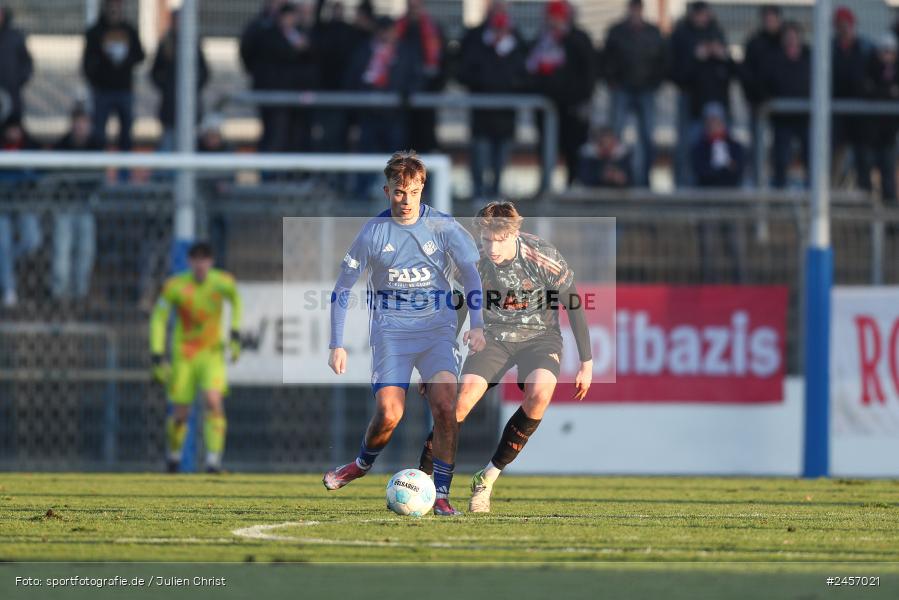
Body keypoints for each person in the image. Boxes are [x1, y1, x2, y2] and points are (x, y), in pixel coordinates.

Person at [322, 151, 486, 517]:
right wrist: (336, 344)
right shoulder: (373, 233)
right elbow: (342, 289)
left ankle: (441, 494)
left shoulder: (443, 227)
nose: (406, 199)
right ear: (387, 191)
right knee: (389, 413)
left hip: (437, 332)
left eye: (413, 191)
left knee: (445, 406)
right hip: (392, 334)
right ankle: (360, 465)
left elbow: (472, 276)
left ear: (422, 188)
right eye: (399, 192)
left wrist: (477, 325)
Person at [417, 200, 593, 513]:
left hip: (540, 338)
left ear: (514, 234)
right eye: (486, 240)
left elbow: (574, 305)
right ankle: (422, 479)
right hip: (493, 338)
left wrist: (586, 363)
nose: (492, 248)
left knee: (540, 393)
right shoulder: (472, 261)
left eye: (499, 241)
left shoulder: (543, 256)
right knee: (460, 402)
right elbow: (457, 310)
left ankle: (487, 479)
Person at [149, 242, 243, 473]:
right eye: (196, 259)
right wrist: (157, 354)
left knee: (213, 401)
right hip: (184, 355)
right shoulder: (175, 286)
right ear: (189, 261)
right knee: (181, 411)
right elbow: (159, 317)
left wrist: (235, 334)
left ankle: (213, 461)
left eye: (205, 259)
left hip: (211, 353)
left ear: (211, 262)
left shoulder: (222, 282)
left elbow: (236, 301)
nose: (200, 264)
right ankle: (173, 458)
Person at [458, 1, 528, 200]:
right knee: (480, 155)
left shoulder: (516, 42)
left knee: (500, 158)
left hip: (505, 114)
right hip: (481, 112)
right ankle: (478, 191)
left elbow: (524, 74)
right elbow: (464, 70)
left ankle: (495, 192)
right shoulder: (476, 38)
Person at [527, 0, 596, 186]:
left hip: (572, 107)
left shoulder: (578, 39)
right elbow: (530, 69)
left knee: (573, 148)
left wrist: (583, 98)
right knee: (546, 148)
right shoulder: (541, 41)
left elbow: (588, 71)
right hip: (547, 106)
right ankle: (546, 185)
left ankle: (573, 184)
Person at [602, 0, 666, 186]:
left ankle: (645, 179)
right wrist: (612, 81)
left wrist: (655, 82)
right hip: (622, 88)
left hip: (646, 89)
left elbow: (662, 60)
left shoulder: (653, 32)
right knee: (616, 135)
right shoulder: (617, 31)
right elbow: (606, 58)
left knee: (647, 136)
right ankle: (614, 178)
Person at [669, 1, 726, 186]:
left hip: (714, 98)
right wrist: (696, 57)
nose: (702, 18)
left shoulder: (716, 32)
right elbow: (675, 72)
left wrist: (721, 55)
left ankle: (715, 184)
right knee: (688, 145)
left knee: (717, 146)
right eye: (699, 14)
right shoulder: (681, 34)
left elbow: (728, 69)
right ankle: (685, 185)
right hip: (690, 99)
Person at [51, 106, 103, 303]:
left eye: (84, 122)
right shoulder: (62, 144)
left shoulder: (96, 145)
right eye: (77, 122)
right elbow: (57, 177)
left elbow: (98, 177)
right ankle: (59, 295)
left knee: (86, 250)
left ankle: (80, 293)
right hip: (64, 205)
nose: (80, 126)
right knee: (62, 250)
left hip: (85, 206)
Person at [82, 0, 145, 152]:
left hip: (124, 90)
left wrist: (126, 60)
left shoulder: (129, 30)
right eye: (112, 5)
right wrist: (96, 79)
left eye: (117, 6)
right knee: (99, 135)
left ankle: (125, 167)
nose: (114, 9)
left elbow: (140, 55)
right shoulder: (95, 32)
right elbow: (87, 62)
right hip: (102, 90)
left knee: (126, 134)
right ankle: (98, 165)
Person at [150, 9, 210, 151]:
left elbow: (204, 71)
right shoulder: (165, 44)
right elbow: (155, 72)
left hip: (191, 106)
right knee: (168, 144)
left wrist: (193, 87)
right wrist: (167, 87)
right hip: (170, 107)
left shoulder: (193, 44)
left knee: (190, 145)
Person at [0, 118, 41, 308]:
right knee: (3, 243)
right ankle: (9, 289)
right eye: (10, 129)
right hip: (2, 208)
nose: (13, 133)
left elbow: (39, 176)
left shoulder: (30, 148)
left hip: (24, 205)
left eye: (16, 129)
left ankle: (5, 263)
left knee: (32, 240)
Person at [740, 5, 782, 184]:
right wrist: (755, 96)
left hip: (783, 107)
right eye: (767, 19)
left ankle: (778, 184)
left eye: (772, 19)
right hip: (758, 104)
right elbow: (746, 74)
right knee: (758, 146)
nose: (769, 23)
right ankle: (759, 184)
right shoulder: (754, 43)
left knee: (780, 148)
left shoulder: (785, 42)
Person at [832, 6, 872, 191]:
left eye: (847, 25)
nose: (844, 29)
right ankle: (832, 192)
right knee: (835, 157)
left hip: (860, 113)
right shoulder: (831, 49)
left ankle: (864, 193)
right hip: (837, 112)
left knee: (863, 156)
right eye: (840, 25)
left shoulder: (865, 48)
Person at [766, 21, 810, 188]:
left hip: (805, 117)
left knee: (810, 155)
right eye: (788, 36)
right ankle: (779, 190)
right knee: (781, 157)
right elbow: (768, 83)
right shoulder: (775, 59)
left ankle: (811, 190)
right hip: (782, 118)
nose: (791, 40)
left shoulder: (809, 57)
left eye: (794, 36)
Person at [862, 33, 899, 203]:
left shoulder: (896, 69)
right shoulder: (870, 67)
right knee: (867, 168)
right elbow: (867, 91)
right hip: (870, 130)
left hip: (889, 131)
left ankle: (889, 206)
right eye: (884, 51)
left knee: (888, 170)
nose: (887, 55)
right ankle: (867, 206)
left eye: (890, 51)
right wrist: (889, 92)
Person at [691, 102, 744, 187]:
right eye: (710, 122)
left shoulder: (735, 147)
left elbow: (738, 170)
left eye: (717, 122)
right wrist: (717, 168)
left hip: (731, 190)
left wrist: (728, 166)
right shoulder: (699, 148)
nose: (713, 126)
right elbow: (700, 172)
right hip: (706, 191)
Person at [0, 6, 33, 126]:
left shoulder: (15, 36)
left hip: (12, 93)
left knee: (12, 128)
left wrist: (17, 81)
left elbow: (27, 63)